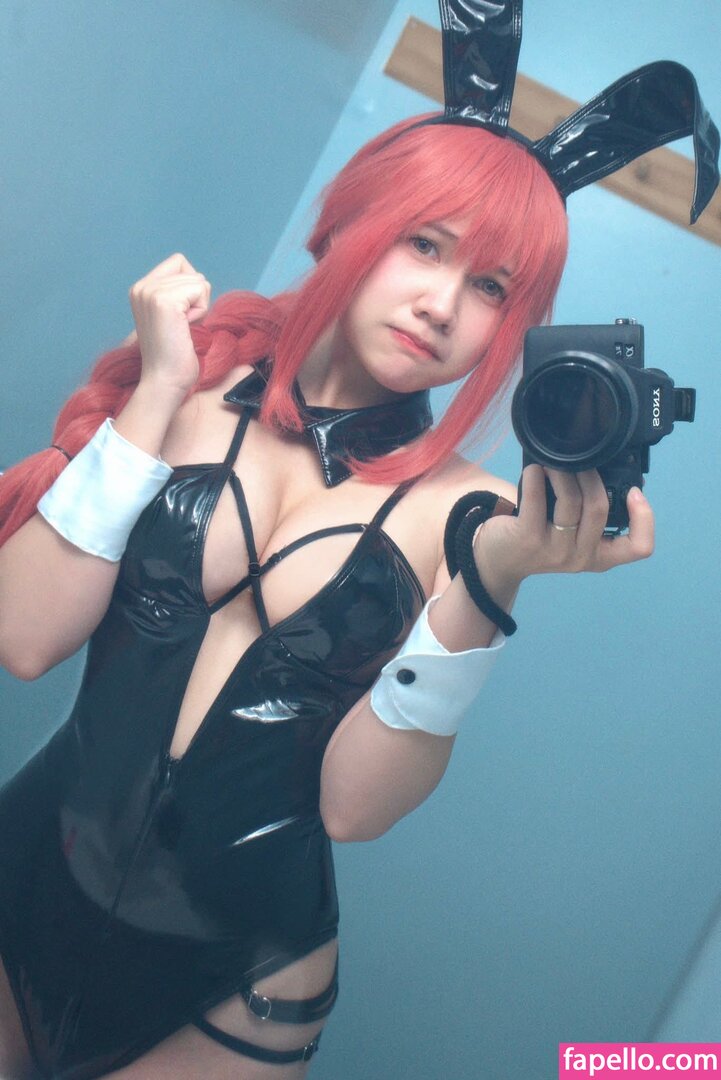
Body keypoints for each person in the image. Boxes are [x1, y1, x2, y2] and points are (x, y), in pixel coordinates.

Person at [0, 112, 657, 1080]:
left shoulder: (473, 518)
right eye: (424, 244)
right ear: (352, 221)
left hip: (235, 986)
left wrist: (492, 581)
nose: (441, 305)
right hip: (23, 877)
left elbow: (353, 811)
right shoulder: (187, 390)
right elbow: (23, 639)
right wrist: (155, 392)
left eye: (490, 287)